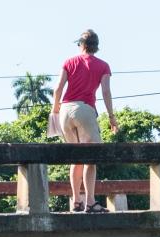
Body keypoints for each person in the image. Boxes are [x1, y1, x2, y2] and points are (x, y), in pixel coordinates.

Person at [50, 29, 119, 212]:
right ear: (96, 47)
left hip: (65, 110)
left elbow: (57, 89)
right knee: (91, 158)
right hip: (85, 110)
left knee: (76, 158)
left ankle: (76, 201)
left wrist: (55, 110)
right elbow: (105, 92)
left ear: (81, 44)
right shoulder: (103, 66)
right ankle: (90, 202)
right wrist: (112, 117)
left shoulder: (69, 62)